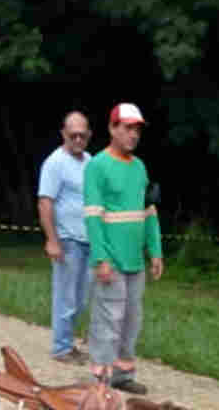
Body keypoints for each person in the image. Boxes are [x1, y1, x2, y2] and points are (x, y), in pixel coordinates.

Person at [83, 102, 162, 394]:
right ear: (112, 128)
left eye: (137, 129)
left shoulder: (139, 167)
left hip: (135, 262)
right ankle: (100, 380)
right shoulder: (97, 167)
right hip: (111, 261)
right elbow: (92, 215)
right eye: (128, 128)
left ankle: (123, 374)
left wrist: (155, 251)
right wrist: (101, 258)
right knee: (108, 321)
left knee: (131, 320)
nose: (133, 134)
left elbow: (149, 211)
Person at [38, 111, 93, 364]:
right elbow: (45, 202)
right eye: (73, 135)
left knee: (81, 298)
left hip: (88, 240)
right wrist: (52, 240)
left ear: (89, 135)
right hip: (67, 240)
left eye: (83, 134)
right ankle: (61, 348)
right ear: (64, 134)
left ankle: (69, 343)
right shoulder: (55, 162)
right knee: (66, 296)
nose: (78, 139)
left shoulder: (90, 161)